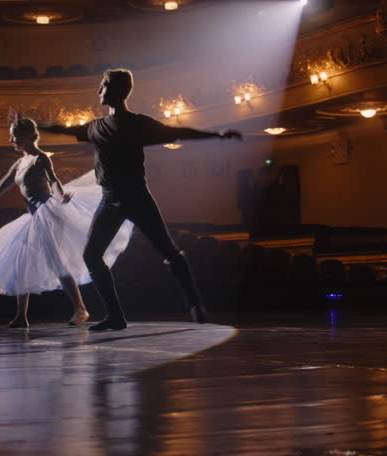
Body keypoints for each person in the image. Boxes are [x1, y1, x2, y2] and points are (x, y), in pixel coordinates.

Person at [39, 68, 242, 332]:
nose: (98, 90)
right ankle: (116, 317)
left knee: (168, 251)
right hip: (109, 200)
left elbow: (178, 132)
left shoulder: (139, 124)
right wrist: (38, 126)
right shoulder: (95, 127)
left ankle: (194, 304)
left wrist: (217, 135)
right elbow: (64, 130)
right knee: (91, 256)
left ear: (114, 89)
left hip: (136, 197)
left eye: (102, 86)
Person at [0, 117, 133, 328]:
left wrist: (61, 194)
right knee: (23, 261)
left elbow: (53, 181)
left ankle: (80, 308)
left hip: (48, 212)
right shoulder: (19, 163)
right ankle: (21, 315)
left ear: (29, 136)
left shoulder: (40, 158)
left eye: (15, 135)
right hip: (32, 216)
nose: (11, 139)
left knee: (56, 260)